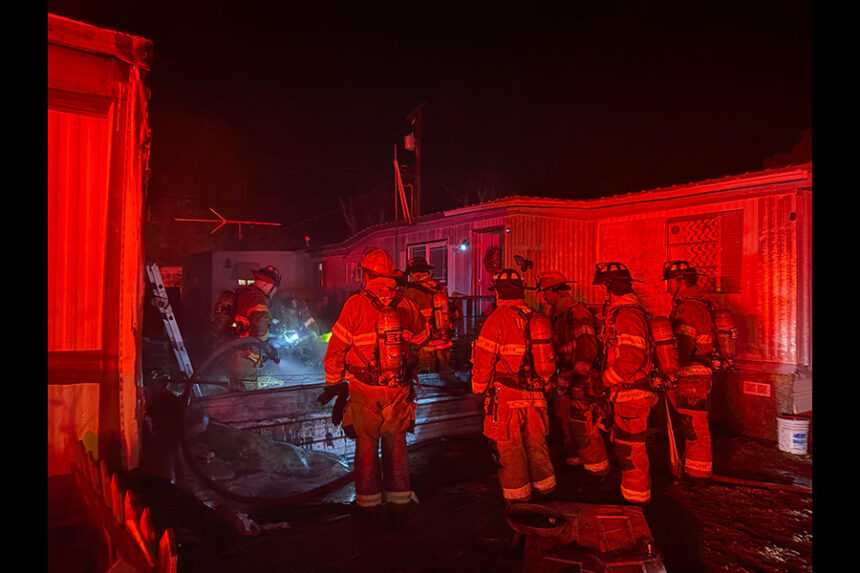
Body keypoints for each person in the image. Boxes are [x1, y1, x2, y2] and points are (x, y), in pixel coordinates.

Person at [322, 248, 429, 513]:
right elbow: (421, 338)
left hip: (363, 388)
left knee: (366, 444)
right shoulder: (404, 303)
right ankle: (400, 499)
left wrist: (334, 382)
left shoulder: (355, 304)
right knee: (396, 443)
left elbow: (336, 349)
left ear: (367, 274)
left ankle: (368, 503)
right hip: (396, 388)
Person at [470, 268, 557, 504]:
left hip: (507, 399)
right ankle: (547, 491)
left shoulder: (497, 319)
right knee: (538, 445)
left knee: (510, 449)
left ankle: (518, 500)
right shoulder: (537, 318)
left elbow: (483, 361)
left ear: (498, 293)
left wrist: (478, 391)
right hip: (537, 396)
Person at [592, 262, 658, 505]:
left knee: (631, 450)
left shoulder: (627, 316)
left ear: (611, 288)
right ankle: (629, 492)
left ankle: (637, 500)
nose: (603, 294)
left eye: (604, 288)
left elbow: (630, 360)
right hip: (625, 393)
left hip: (632, 393)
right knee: (624, 446)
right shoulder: (625, 314)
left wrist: (603, 381)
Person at [536, 270, 608, 476]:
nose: (543, 297)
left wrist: (579, 380)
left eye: (544, 293)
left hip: (580, 378)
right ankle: (581, 459)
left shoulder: (577, 313)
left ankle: (598, 470)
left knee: (583, 423)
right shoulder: (559, 315)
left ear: (554, 291)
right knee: (566, 420)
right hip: (567, 375)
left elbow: (587, 346)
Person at [663, 260, 716, 481]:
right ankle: (693, 468)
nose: (669, 287)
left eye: (671, 282)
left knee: (693, 425)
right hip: (697, 373)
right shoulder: (700, 302)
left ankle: (698, 474)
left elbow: (683, 347)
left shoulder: (689, 308)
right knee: (691, 424)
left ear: (681, 281)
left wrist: (668, 365)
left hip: (691, 374)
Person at [225, 265, 280, 392]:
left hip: (234, 354)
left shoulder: (244, 294)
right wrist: (266, 346)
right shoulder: (257, 298)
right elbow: (260, 326)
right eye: (275, 289)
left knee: (235, 393)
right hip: (246, 356)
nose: (274, 293)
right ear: (269, 285)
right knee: (246, 398)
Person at [403, 256, 455, 380]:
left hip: (425, 345)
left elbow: (407, 321)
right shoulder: (440, 288)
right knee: (446, 378)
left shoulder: (410, 293)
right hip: (443, 341)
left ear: (412, 273)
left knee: (428, 381)